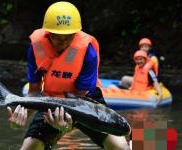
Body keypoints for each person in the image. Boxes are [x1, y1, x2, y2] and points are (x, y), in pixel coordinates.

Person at [7, 1, 130, 150]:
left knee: (121, 148)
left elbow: (79, 101)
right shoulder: (36, 47)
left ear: (76, 33)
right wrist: (22, 114)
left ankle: (139, 140)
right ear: (47, 34)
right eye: (57, 37)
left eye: (68, 37)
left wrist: (67, 125)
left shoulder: (87, 51)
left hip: (88, 102)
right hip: (52, 100)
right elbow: (34, 91)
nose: (63, 43)